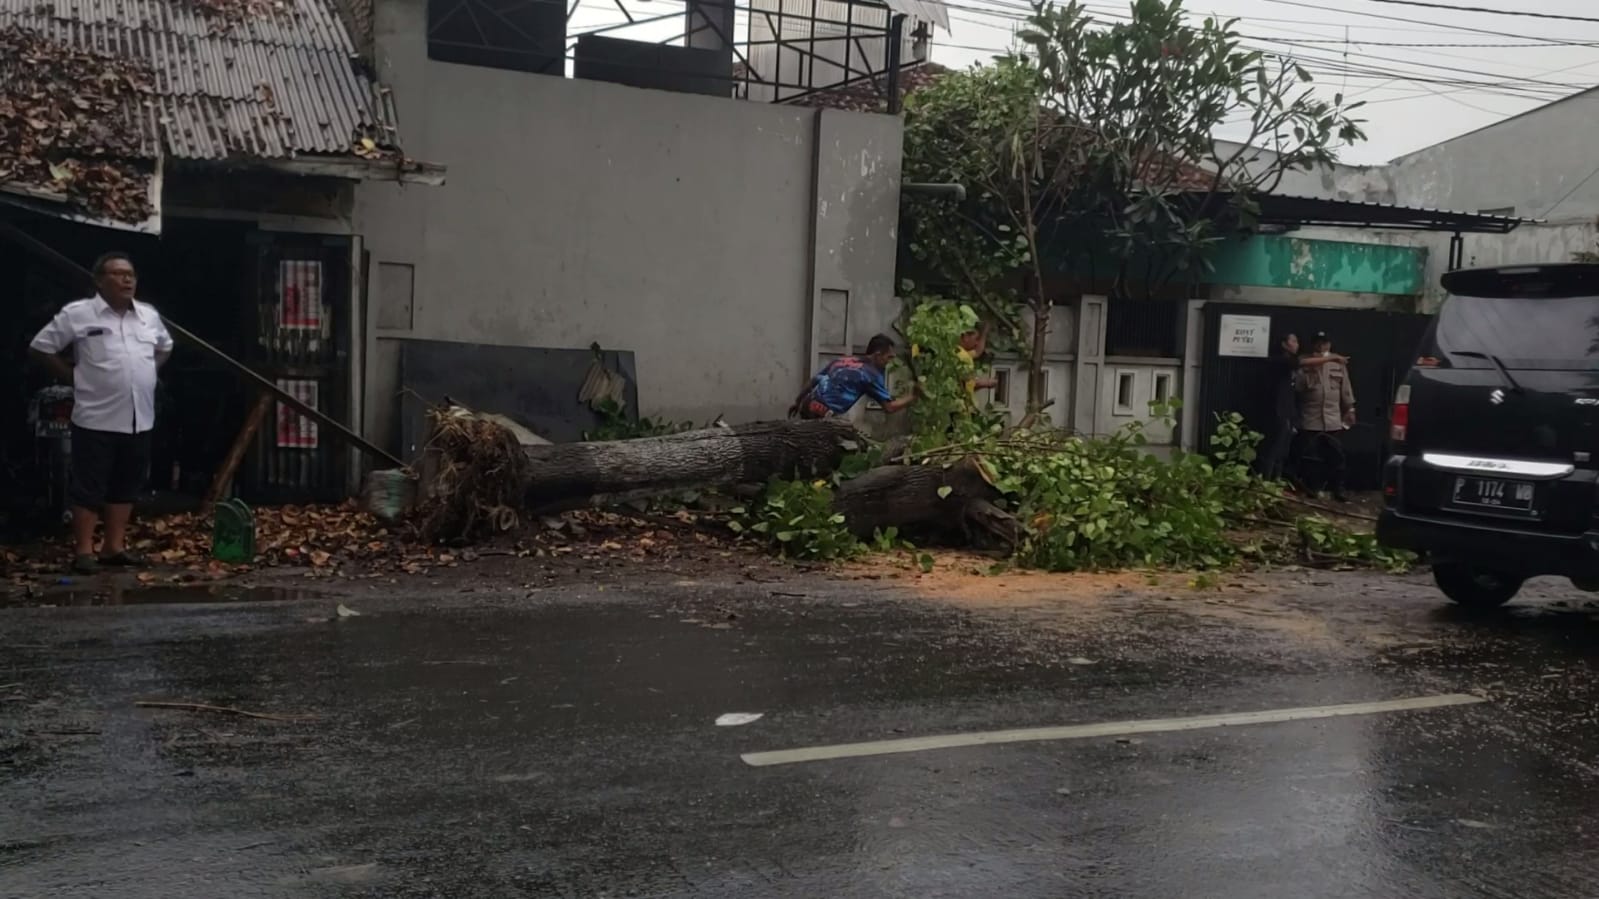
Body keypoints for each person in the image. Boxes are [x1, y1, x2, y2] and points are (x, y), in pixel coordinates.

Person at [30, 252, 173, 573]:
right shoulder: (79, 315)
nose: (127, 280)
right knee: (89, 486)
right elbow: (41, 346)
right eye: (118, 273)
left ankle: (113, 547)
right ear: (98, 280)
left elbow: (165, 346)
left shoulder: (148, 315)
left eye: (131, 274)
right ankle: (83, 551)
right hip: (96, 416)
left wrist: (147, 372)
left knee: (126, 484)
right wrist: (74, 377)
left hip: (139, 416)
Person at [1257, 331, 1346, 484]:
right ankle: (1265, 482)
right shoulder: (1281, 361)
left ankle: (1276, 482)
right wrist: (1333, 357)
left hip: (1288, 413)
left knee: (1283, 451)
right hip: (1277, 412)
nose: (1297, 344)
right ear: (1284, 344)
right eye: (1294, 341)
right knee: (1274, 450)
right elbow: (1302, 364)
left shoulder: (1291, 361)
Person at [790, 334, 917, 419]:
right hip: (823, 415)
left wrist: (797, 402)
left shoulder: (843, 361)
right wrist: (914, 396)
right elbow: (890, 407)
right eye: (888, 357)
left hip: (807, 404)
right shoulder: (870, 375)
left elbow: (814, 380)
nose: (889, 362)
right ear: (877, 355)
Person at [1293, 331, 1356, 502]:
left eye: (1325, 343)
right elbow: (1298, 388)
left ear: (1329, 344)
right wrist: (1310, 373)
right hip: (1310, 418)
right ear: (1314, 344)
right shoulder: (1306, 362)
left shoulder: (1338, 363)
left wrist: (1350, 409)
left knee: (1336, 456)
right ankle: (1312, 488)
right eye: (1318, 343)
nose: (1321, 346)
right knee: (1311, 457)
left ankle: (1338, 489)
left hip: (1332, 418)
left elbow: (1346, 388)